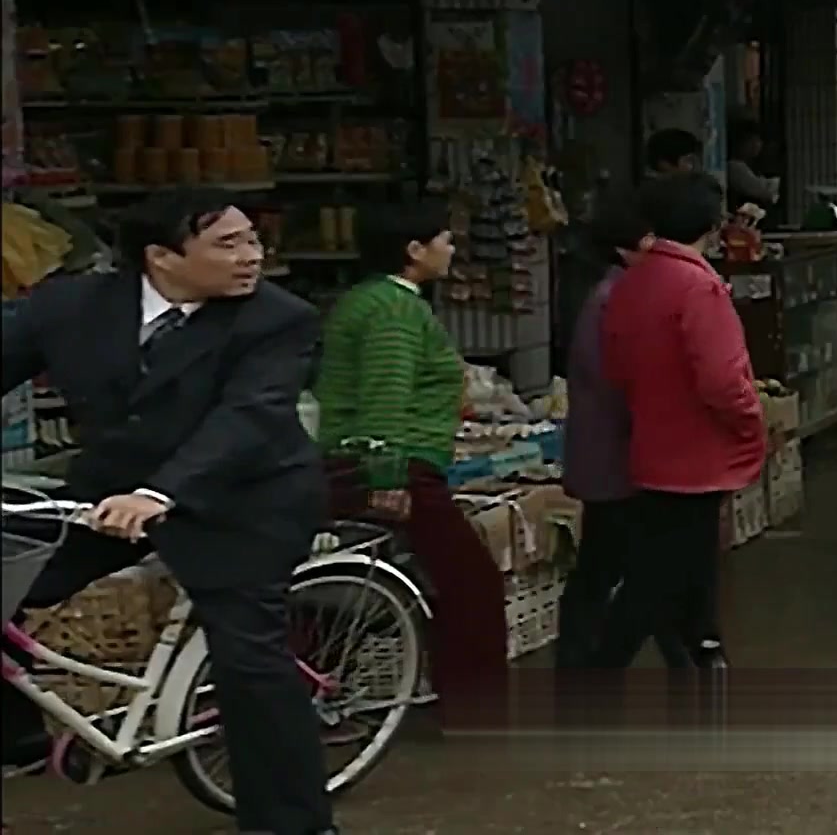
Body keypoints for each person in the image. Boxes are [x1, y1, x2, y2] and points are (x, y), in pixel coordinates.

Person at [0, 188, 336, 834]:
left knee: (248, 661)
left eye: (252, 241)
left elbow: (247, 417)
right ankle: (20, 738)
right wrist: (131, 496)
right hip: (107, 494)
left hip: (243, 500)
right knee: (8, 574)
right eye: (228, 244)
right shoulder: (71, 306)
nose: (250, 258)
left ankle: (293, 822)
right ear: (162, 256)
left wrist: (159, 495)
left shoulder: (278, 318)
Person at [314, 200, 509, 714]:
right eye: (444, 240)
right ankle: (474, 705)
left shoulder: (371, 301)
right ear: (414, 251)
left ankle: (311, 685)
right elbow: (386, 392)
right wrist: (387, 473)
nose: (451, 250)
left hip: (363, 460)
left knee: (353, 583)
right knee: (470, 583)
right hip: (393, 465)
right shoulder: (394, 308)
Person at [597, 173, 765, 670]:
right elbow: (721, 380)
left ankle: (705, 655)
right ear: (711, 226)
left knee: (686, 565)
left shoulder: (633, 283)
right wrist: (750, 415)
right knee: (661, 575)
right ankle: (600, 676)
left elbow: (617, 368)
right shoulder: (698, 286)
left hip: (652, 442)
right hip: (699, 450)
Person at [553, 188, 694, 669]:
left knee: (610, 565)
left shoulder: (612, 295)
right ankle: (605, 666)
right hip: (621, 459)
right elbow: (626, 383)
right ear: (624, 247)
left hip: (610, 458)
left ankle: (587, 667)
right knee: (635, 569)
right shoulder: (617, 301)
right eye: (649, 237)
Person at [725, 120, 779, 212]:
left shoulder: (750, 166)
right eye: (753, 140)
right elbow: (762, 190)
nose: (758, 145)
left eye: (759, 140)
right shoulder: (734, 167)